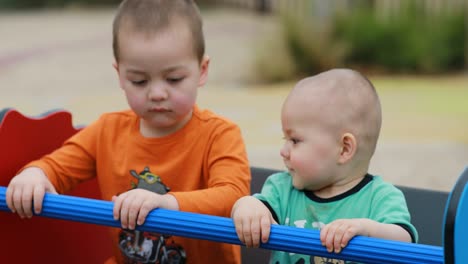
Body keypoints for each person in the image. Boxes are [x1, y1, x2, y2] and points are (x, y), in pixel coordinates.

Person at [6, 0, 251, 263]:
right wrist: (35, 174)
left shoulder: (220, 134)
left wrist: (167, 204)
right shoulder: (107, 131)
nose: (157, 93)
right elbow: (58, 166)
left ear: (202, 71)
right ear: (120, 75)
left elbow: (233, 197)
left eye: (174, 79)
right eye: (139, 81)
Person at [231, 69, 418, 264]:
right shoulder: (282, 190)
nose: (283, 151)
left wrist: (367, 230)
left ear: (344, 149)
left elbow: (404, 242)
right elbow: (255, 207)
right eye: (285, 139)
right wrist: (246, 205)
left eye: (294, 140)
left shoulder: (380, 198)